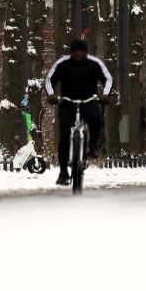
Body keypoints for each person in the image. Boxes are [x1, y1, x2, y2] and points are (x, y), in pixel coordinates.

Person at [45, 39, 112, 185]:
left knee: (96, 118)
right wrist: (52, 95)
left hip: (89, 100)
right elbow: (50, 79)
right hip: (67, 101)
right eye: (76, 51)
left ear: (86, 52)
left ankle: (94, 144)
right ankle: (63, 172)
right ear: (71, 52)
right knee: (64, 134)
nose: (79, 54)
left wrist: (105, 94)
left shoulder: (94, 64)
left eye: (82, 51)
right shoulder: (62, 64)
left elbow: (107, 78)